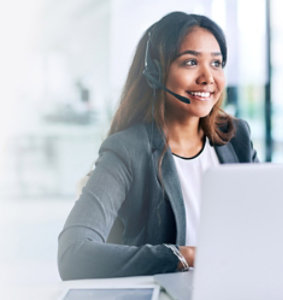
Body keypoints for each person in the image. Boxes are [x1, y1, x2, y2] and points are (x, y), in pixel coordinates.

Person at [58, 11, 259, 280]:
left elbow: (265, 219)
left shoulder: (235, 137)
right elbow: (73, 255)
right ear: (155, 72)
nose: (208, 77)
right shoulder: (127, 150)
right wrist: (184, 256)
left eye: (216, 63)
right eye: (190, 62)